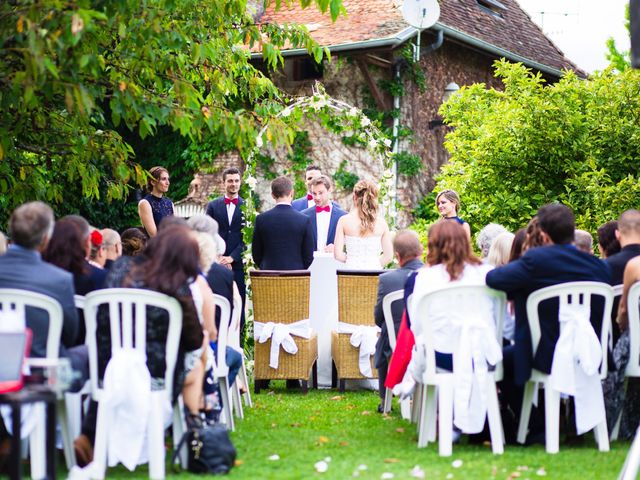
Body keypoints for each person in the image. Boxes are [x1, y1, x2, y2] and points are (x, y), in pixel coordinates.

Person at [486, 204, 611, 424]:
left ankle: (533, 425)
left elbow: (494, 279)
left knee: (498, 360)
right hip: (588, 352)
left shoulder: (534, 261)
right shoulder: (597, 266)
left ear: (542, 234)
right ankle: (568, 421)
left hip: (542, 354)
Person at [0, 202, 87, 390]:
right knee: (88, 353)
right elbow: (69, 334)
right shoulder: (59, 279)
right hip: (44, 372)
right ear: (46, 238)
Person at [373, 230, 423, 410]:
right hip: (426, 341)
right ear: (421, 250)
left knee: (385, 335)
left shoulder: (387, 279)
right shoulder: (432, 276)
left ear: (397, 256)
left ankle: (385, 400)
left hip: (396, 345)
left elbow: (378, 318)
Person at [205, 167, 246, 335]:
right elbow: (208, 232)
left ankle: (238, 338)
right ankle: (217, 334)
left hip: (237, 264)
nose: (233, 184)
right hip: (216, 262)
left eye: (236, 180)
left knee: (239, 302)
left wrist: (232, 258)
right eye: (230, 181)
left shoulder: (247, 206)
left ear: (240, 182)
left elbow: (248, 237)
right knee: (217, 300)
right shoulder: (213, 206)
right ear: (223, 183)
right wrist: (219, 257)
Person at [252, 176, 315, 270]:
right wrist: (299, 269)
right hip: (296, 275)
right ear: (292, 193)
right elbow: (308, 256)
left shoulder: (261, 219)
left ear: (272, 195)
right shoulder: (304, 220)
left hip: (269, 274)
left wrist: (265, 267)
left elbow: (256, 253)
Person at [608, 255, 640, 438]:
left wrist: (622, 326)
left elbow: (623, 311)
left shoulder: (635, 265)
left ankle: (614, 424)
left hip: (637, 345)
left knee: (618, 356)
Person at [333, 179, 393, 269]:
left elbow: (338, 255)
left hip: (351, 273)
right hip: (374, 272)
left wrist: (351, 261)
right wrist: (373, 264)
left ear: (354, 197)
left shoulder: (344, 221)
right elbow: (388, 256)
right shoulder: (382, 223)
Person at [301, 175, 347, 252]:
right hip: (311, 262)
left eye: (320, 193)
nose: (317, 197)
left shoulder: (343, 216)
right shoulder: (303, 216)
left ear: (329, 190)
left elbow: (350, 242)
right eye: (314, 193)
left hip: (334, 261)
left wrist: (338, 247)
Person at [138, 166, 174, 237]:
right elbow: (154, 235)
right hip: (156, 246)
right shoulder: (145, 203)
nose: (168, 183)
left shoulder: (170, 203)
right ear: (153, 182)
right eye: (164, 179)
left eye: (168, 179)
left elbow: (176, 228)